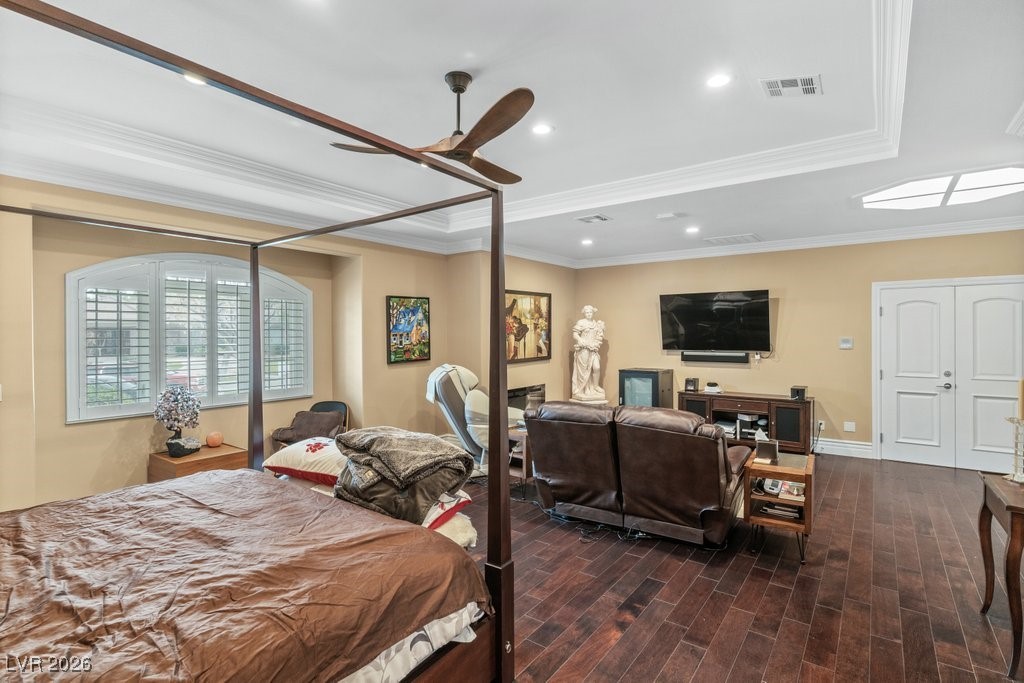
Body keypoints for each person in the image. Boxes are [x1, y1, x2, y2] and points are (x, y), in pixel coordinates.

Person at [571, 305, 606, 401]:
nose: (589, 314)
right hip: (583, 349)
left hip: (593, 349)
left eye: (590, 312)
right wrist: (580, 339)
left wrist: (596, 342)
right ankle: (584, 388)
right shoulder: (581, 322)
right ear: (584, 313)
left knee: (596, 367)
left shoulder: (596, 324)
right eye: (587, 312)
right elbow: (575, 334)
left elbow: (599, 336)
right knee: (584, 370)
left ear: (593, 313)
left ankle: (595, 386)